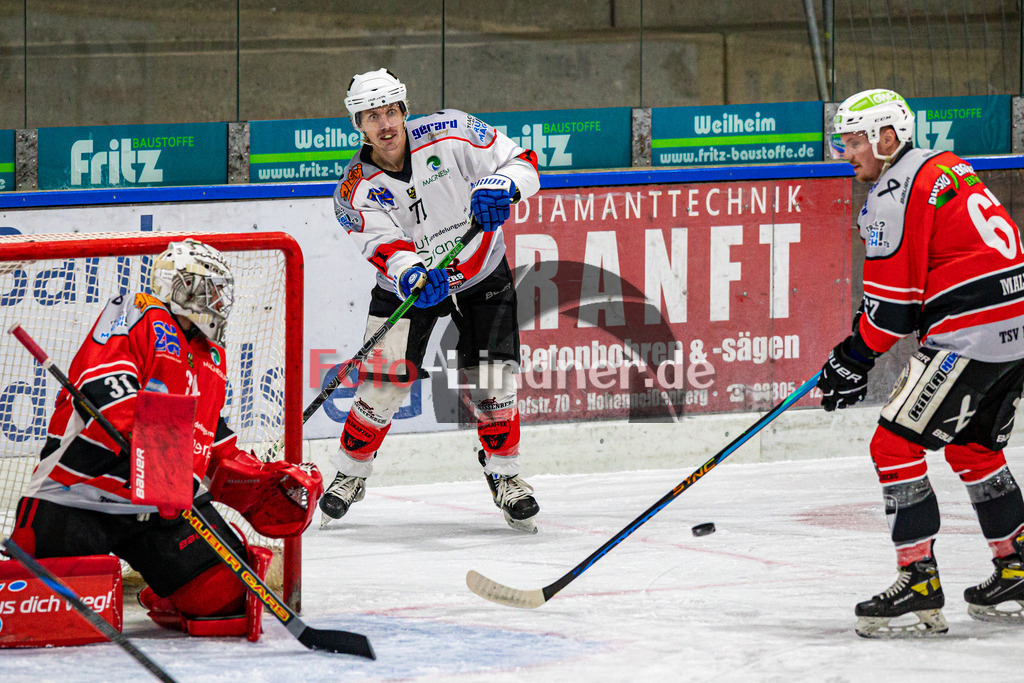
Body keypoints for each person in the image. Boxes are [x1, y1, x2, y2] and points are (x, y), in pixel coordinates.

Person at [9, 238, 323, 638]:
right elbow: (103, 384)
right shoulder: (139, 311)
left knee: (227, 602)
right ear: (182, 288)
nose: (220, 302)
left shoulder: (212, 358)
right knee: (47, 620)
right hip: (77, 498)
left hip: (157, 511)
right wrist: (154, 452)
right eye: (212, 290)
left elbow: (208, 440)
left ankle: (164, 593)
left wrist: (258, 480)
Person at [822, 88, 1024, 638]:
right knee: (973, 445)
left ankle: (917, 582)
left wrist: (851, 360)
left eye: (856, 140)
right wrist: (854, 356)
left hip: (972, 336)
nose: (848, 152)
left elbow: (892, 313)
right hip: (1015, 329)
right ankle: (1016, 566)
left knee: (893, 445)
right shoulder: (944, 165)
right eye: (844, 141)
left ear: (889, 137)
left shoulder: (893, 192)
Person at [324, 68, 542, 532]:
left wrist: (504, 186)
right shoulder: (353, 190)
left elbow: (522, 162)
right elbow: (382, 246)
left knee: (494, 381)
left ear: (404, 110)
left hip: (481, 270)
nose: (384, 124)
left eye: (390, 111)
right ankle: (350, 472)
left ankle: (505, 476)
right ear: (356, 125)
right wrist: (411, 274)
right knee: (382, 387)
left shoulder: (453, 131)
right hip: (412, 286)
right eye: (370, 116)